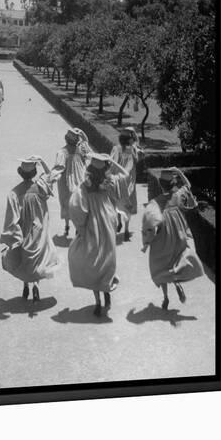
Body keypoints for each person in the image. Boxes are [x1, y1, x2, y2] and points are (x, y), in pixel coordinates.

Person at [68, 152, 129, 317]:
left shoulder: (84, 188)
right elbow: (126, 174)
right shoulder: (110, 182)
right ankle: (107, 291)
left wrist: (80, 227)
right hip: (108, 222)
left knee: (93, 260)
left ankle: (97, 302)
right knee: (107, 257)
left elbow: (77, 208)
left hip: (92, 225)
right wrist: (112, 162)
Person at [0, 156, 60, 302]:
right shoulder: (41, 187)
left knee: (23, 258)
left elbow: (11, 219)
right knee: (38, 258)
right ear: (34, 173)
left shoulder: (14, 193)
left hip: (23, 230)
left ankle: (26, 284)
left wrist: (11, 237)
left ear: (20, 172)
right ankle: (36, 286)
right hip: (38, 229)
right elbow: (52, 175)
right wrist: (42, 161)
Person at [141, 167, 204, 310]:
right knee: (178, 259)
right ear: (173, 184)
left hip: (163, 236)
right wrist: (179, 172)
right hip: (179, 233)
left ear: (160, 184)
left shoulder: (155, 202)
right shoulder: (179, 195)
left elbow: (150, 223)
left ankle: (166, 298)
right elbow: (188, 185)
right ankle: (176, 281)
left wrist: (147, 242)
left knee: (160, 263)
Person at [53, 128, 92, 237]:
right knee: (77, 203)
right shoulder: (79, 149)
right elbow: (87, 144)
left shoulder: (64, 151)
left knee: (67, 202)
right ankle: (74, 226)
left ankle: (67, 226)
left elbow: (58, 168)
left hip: (68, 181)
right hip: (77, 180)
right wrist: (82, 133)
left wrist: (53, 177)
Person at [110, 126, 143, 241]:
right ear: (130, 139)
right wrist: (133, 134)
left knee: (118, 202)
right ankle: (127, 230)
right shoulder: (133, 150)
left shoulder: (116, 148)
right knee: (128, 204)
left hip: (118, 180)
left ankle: (119, 223)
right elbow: (137, 159)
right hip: (129, 182)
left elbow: (111, 163)